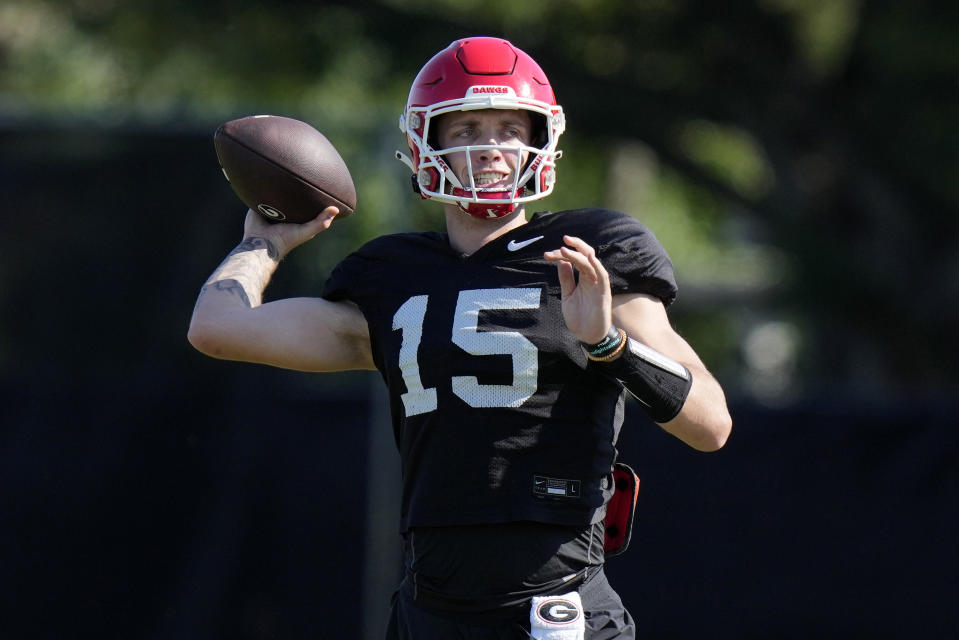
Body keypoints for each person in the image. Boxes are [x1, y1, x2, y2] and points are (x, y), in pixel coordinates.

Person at [189, 36, 731, 640]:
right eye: (468, 126)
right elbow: (218, 327)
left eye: (508, 127)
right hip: (431, 610)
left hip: (557, 605)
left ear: (541, 138)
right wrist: (264, 240)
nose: (492, 148)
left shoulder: (591, 249)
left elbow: (710, 424)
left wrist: (606, 343)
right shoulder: (388, 276)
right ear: (428, 142)